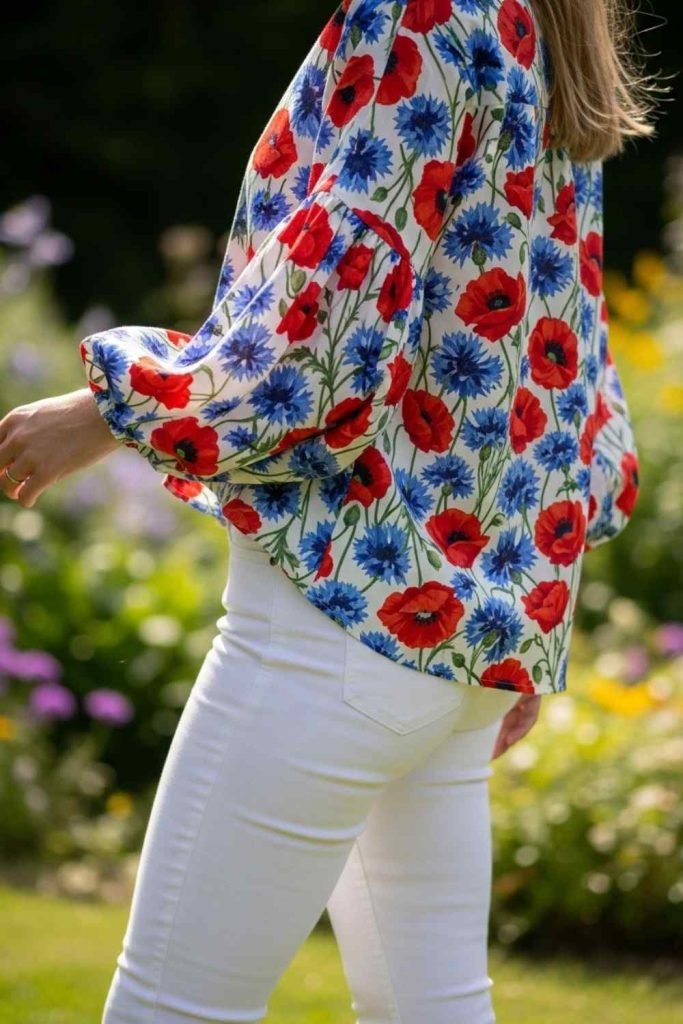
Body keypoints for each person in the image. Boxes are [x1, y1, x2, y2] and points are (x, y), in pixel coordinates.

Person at [0, 1, 656, 1020]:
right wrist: (513, 627)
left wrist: (110, 408)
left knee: (167, 1010)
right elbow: (553, 360)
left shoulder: (421, 11)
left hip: (333, 628)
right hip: (444, 640)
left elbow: (322, 327)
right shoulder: (535, 22)